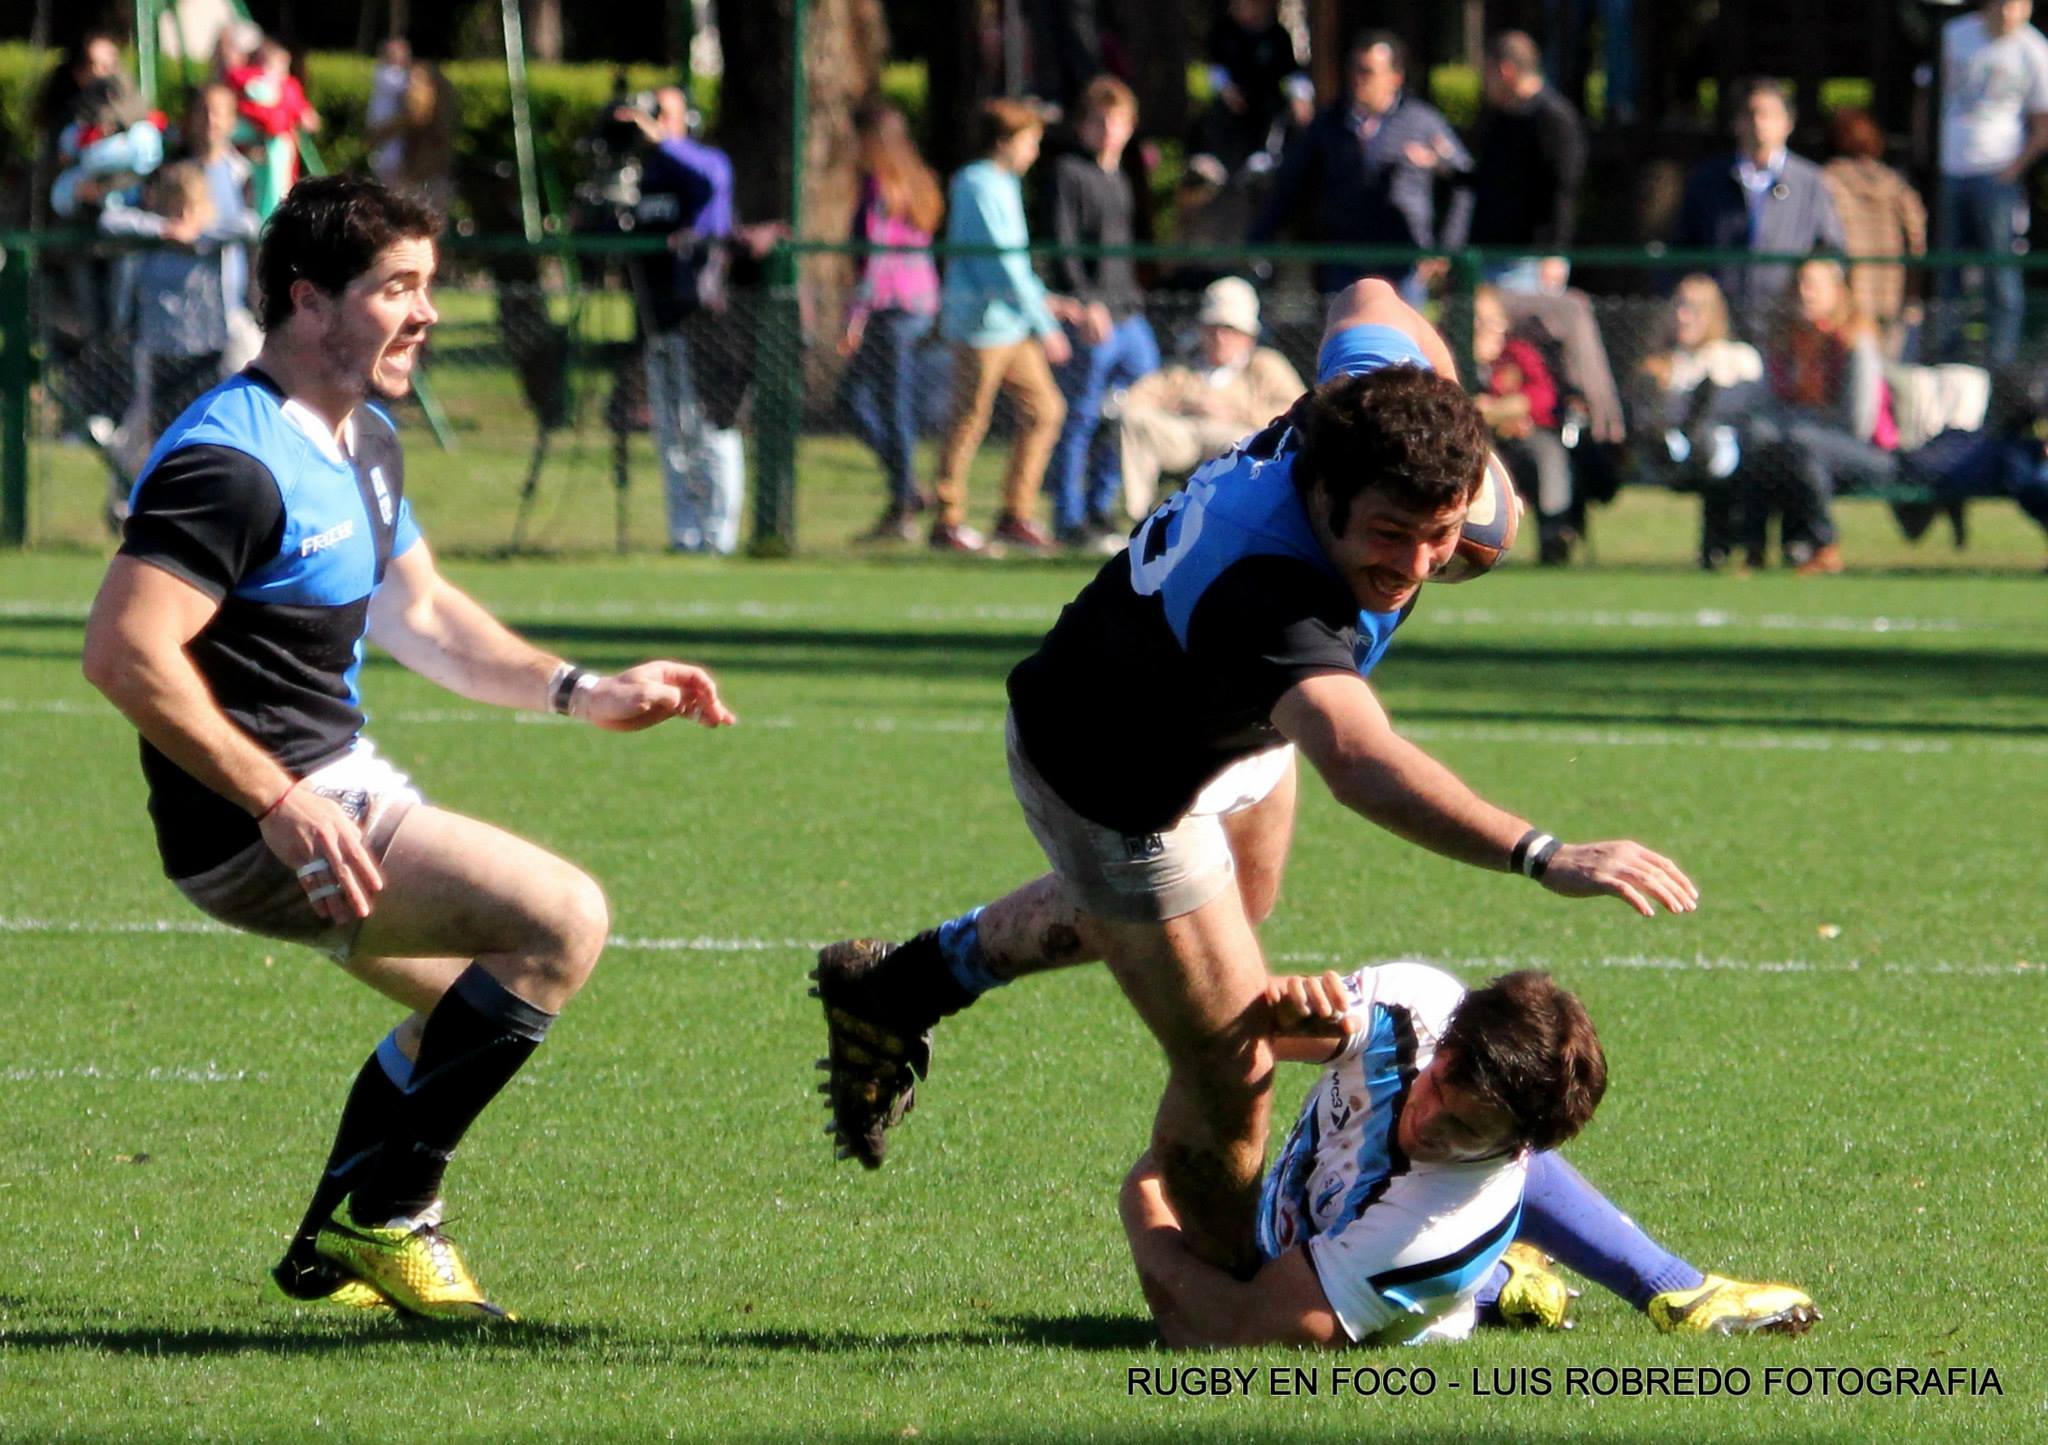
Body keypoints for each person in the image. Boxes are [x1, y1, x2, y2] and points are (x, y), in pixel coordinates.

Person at [812, 277, 1698, 1277]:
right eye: (1389, 534)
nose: (1415, 563)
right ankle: (1235, 1280)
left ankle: (901, 985)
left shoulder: (1366, 411)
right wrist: (1539, 851)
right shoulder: (1268, 594)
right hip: (1109, 770)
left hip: (1221, 714)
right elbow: (1359, 761)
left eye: (1439, 534)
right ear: (1323, 497)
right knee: (1233, 1058)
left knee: (1232, 912)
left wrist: (1458, 432)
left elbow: (1367, 293)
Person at [79, 176, 737, 1322]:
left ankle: (329, 1247)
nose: (427, 312)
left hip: (331, 785)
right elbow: (124, 653)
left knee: (462, 1013)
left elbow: (423, 616)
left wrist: (582, 690)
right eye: (399, 287)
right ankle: (387, 1217)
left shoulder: (365, 438)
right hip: (255, 820)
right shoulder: (227, 462)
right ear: (308, 301)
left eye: (430, 286)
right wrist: (277, 799)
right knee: (561, 918)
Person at [1121, 963, 1819, 1346]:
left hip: (1388, 1277)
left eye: (1465, 1129)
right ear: (1447, 1041)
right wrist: (1279, 1012)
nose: (1428, 1123)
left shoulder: (1435, 1227)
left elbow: (1237, 1333)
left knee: (1437, 1253)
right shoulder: (1420, 1003)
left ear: (1516, 1150)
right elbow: (1253, 1030)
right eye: (1439, 1087)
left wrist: (1146, 1207)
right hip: (1314, 1224)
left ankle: (1489, 1286)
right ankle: (1571, 1277)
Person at [615, 86, 760, 555]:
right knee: (670, 433)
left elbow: (713, 181)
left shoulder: (705, 162)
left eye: (662, 113)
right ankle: (685, 534)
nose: (650, 121)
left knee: (710, 430)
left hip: (705, 320)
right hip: (658, 318)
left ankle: (719, 536)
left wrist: (663, 140)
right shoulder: (645, 174)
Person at [928, 100, 1072, 553]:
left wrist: (1043, 304)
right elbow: (1000, 265)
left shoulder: (1006, 185)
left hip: (1012, 326)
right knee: (969, 419)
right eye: (1030, 141)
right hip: (981, 327)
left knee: (1045, 410)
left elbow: (1017, 265)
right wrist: (1045, 323)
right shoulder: (977, 184)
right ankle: (947, 519)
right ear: (1005, 142)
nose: (1034, 151)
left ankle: (1016, 513)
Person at [1251, 32, 1472, 299]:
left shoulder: (1421, 122)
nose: (1359, 79)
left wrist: (1446, 248)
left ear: (1395, 77)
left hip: (1403, 263)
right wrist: (1259, 237)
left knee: (1399, 337)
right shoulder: (1328, 123)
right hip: (1342, 261)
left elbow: (1464, 182)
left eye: (1368, 71)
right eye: (1354, 69)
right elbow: (1289, 183)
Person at [1046, 76, 1162, 550]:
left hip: (1128, 311)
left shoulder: (1122, 176)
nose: (1108, 131)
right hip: (1094, 315)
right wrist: (1083, 299)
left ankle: (1104, 504)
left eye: (1116, 122)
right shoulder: (1068, 172)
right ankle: (1068, 515)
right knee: (1081, 414)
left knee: (1137, 405)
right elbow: (1064, 243)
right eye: (1098, 122)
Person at [1745, 257, 1900, 574]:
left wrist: (1805, 427)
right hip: (1802, 442)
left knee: (1802, 445)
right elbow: (1771, 405)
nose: (1805, 292)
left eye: (1813, 284)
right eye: (1801, 283)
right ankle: (1754, 546)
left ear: (1837, 292)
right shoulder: (1790, 340)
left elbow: (1859, 422)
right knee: (1761, 438)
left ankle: (1824, 545)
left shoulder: (1856, 340)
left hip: (1867, 451)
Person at [839, 100, 944, 542]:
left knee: (868, 402)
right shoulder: (919, 182)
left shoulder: (881, 188)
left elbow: (876, 261)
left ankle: (904, 498)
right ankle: (904, 490)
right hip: (919, 306)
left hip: (892, 309)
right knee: (875, 402)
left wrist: (854, 318)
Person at [1114, 276, 1303, 519]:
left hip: (1236, 438)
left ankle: (1234, 518)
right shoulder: (1185, 368)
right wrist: (1184, 405)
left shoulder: (1266, 365)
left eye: (1230, 330)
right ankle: (1139, 517)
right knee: (1135, 419)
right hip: (1184, 438)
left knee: (1237, 442)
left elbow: (1294, 410)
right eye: (1213, 329)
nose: (1220, 338)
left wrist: (1233, 412)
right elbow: (1136, 398)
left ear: (1249, 336)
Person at [1673, 79, 1846, 336]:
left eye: (1770, 114)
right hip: (1722, 324)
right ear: (1736, 123)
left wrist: (1813, 289)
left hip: (1787, 326)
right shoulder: (1707, 180)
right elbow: (1682, 248)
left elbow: (1832, 250)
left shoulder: (1811, 182)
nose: (1759, 123)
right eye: (1751, 114)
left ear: (1788, 123)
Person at [1936, 0, 2048, 367]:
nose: (2009, 11)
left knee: (2001, 274)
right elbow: (1932, 94)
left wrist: (2013, 169)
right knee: (1948, 271)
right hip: (1952, 170)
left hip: (1998, 176)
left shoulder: (2034, 49)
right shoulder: (1955, 35)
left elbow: (2042, 122)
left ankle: (2002, 365)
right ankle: (1947, 357)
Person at [1634, 275, 1768, 570]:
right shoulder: (1662, 365)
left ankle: (1735, 543)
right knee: (1689, 435)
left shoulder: (1738, 358)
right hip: (1673, 458)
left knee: (1721, 436)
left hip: (1731, 455)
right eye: (1678, 307)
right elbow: (1647, 417)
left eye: (1693, 308)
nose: (1683, 317)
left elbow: (1749, 409)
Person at [1466, 31, 1586, 295]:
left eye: (1487, 72)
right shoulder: (1501, 119)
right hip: (1489, 256)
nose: (1484, 83)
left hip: (1529, 264)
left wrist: (1555, 253)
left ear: (1505, 71)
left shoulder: (1554, 119)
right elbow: (1491, 182)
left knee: (1524, 337)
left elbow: (1563, 190)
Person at [1471, 286, 1575, 563]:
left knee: (1549, 454)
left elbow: (1543, 395)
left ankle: (1555, 532)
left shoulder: (1516, 353)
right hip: (1479, 440)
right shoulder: (1455, 355)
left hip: (1524, 434)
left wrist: (1503, 410)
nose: (1486, 329)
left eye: (1492, 321)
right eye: (1477, 321)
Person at [1823, 107, 1927, 359]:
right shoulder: (1895, 183)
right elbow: (1917, 237)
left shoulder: (1828, 180)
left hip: (1851, 293)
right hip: (1893, 288)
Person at [227, 39, 321, 220]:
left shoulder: (287, 87)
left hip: (274, 148)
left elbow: (309, 119)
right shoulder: (247, 82)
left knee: (275, 191)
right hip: (251, 152)